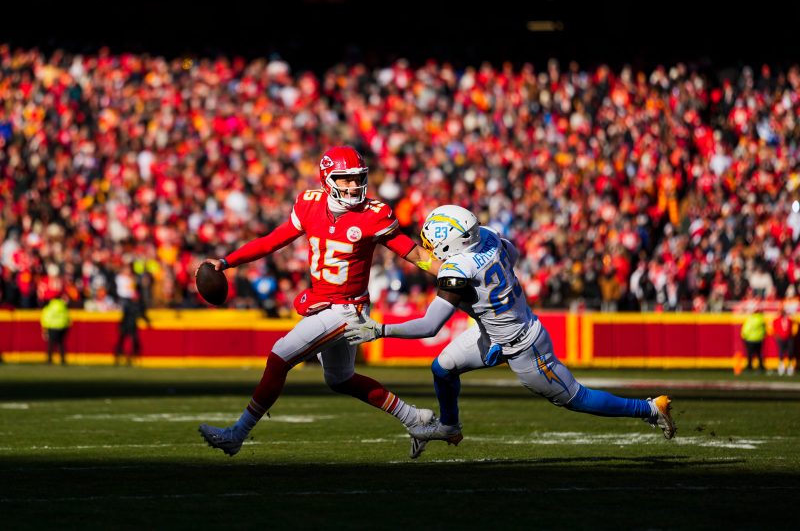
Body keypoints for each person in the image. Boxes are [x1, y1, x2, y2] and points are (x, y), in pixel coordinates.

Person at [345, 205, 676, 458]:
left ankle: (649, 409)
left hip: (523, 345)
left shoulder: (458, 269)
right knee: (442, 368)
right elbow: (512, 254)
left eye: (432, 243)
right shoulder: (487, 237)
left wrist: (380, 330)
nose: (429, 247)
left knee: (576, 398)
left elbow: (430, 326)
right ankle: (449, 426)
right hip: (494, 334)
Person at [197, 146, 441, 457]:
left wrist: (451, 273)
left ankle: (237, 434)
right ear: (327, 180)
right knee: (340, 378)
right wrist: (226, 261)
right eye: (345, 179)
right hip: (326, 303)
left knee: (280, 357)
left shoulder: (374, 214)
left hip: (348, 308)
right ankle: (415, 418)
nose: (354, 185)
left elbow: (415, 253)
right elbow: (272, 241)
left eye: (358, 178)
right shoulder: (309, 204)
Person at [114, 266, 152, 366]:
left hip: (131, 323)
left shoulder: (137, 302)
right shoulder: (129, 302)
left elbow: (141, 312)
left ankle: (129, 357)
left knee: (131, 340)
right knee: (125, 339)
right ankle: (121, 356)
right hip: (127, 322)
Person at [40, 292, 71, 365]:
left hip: (52, 326)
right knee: (61, 343)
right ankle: (63, 359)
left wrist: (44, 327)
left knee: (51, 343)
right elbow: (67, 317)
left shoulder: (50, 306)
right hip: (62, 326)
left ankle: (49, 359)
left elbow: (45, 316)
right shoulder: (63, 305)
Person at [741, 301, 766, 373]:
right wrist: (762, 336)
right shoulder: (761, 319)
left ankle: (749, 366)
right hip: (759, 339)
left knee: (750, 354)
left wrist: (744, 335)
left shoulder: (750, 318)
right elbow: (764, 329)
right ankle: (761, 366)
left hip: (750, 339)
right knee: (759, 353)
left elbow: (746, 328)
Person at [772, 307, 794, 376]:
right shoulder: (776, 320)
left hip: (788, 337)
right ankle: (781, 365)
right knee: (781, 351)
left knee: (790, 351)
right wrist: (777, 336)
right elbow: (774, 329)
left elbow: (791, 328)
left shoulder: (789, 320)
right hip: (780, 338)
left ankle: (789, 365)